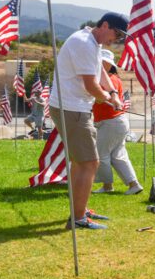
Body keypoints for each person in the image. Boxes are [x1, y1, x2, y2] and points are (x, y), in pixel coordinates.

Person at [48, 13, 127, 230]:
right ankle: (78, 218)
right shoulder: (84, 44)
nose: (117, 39)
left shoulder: (92, 42)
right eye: (117, 33)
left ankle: (79, 210)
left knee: (81, 163)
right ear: (104, 25)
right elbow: (91, 85)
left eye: (120, 37)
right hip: (72, 108)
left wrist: (112, 91)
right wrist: (110, 100)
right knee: (90, 163)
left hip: (74, 107)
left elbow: (99, 70)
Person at [92, 50, 142, 195]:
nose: (100, 64)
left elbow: (100, 96)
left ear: (108, 64)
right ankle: (134, 185)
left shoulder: (109, 79)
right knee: (118, 155)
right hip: (116, 122)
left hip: (111, 122)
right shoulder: (114, 78)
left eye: (103, 62)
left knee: (103, 154)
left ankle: (108, 186)